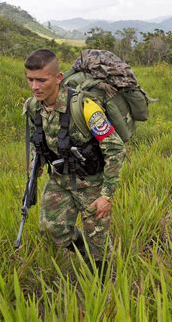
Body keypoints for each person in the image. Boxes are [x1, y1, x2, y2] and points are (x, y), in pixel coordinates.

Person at [23, 49, 126, 275]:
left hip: (92, 184)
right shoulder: (32, 106)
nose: (35, 86)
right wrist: (35, 164)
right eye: (30, 80)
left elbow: (116, 148)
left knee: (98, 242)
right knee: (51, 228)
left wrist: (106, 195)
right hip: (60, 179)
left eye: (41, 80)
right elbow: (37, 139)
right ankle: (83, 250)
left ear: (58, 78)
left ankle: (101, 284)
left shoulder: (84, 107)